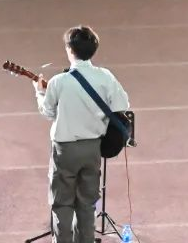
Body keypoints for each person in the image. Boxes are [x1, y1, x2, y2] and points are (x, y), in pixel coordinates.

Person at [33, 26, 130, 243]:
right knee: (87, 203)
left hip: (64, 150)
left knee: (62, 203)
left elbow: (48, 112)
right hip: (92, 148)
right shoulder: (105, 77)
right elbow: (122, 104)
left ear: (70, 50)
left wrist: (40, 92)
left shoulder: (59, 81)